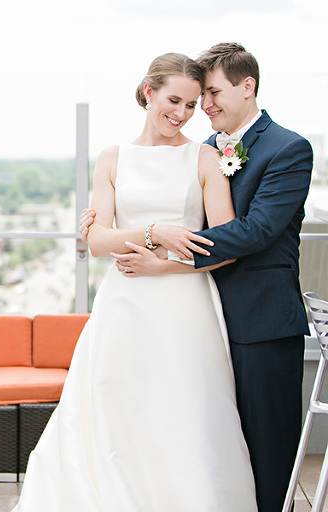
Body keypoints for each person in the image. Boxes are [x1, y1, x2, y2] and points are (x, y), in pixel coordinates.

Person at [13, 52, 257, 511]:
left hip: (187, 304)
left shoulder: (204, 158)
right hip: (125, 302)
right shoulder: (112, 158)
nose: (182, 113)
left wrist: (161, 261)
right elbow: (99, 241)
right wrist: (153, 233)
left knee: (187, 407)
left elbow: (225, 246)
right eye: (174, 100)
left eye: (191, 104)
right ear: (148, 92)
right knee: (117, 402)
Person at [81, 43, 313, 512]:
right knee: (211, 435)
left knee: (268, 444)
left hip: (261, 315)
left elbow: (254, 231)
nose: (200, 108)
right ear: (149, 94)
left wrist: (161, 255)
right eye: (190, 99)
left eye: (210, 94)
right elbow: (182, 214)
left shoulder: (288, 147)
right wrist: (109, 230)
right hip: (205, 310)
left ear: (248, 87)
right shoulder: (207, 149)